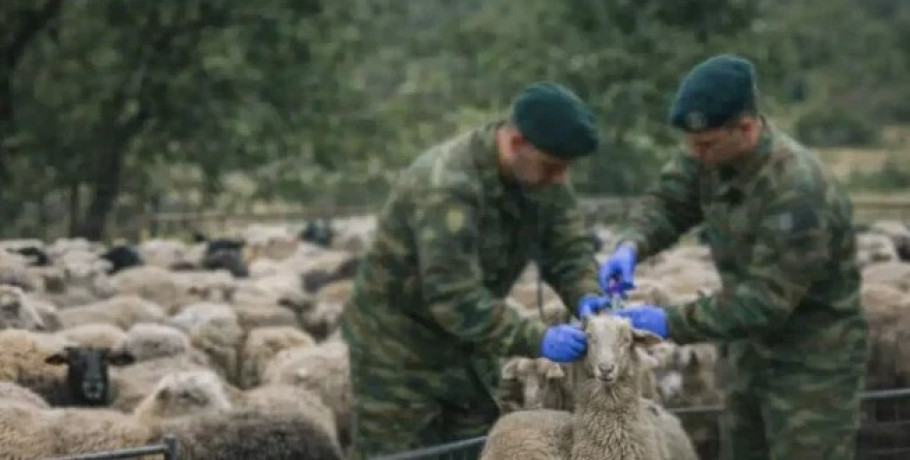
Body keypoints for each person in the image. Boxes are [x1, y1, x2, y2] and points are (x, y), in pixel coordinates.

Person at [596, 54, 868, 460]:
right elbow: (669, 202)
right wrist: (630, 246)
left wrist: (667, 321)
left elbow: (764, 302)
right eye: (690, 143)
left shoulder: (798, 192)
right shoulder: (710, 157)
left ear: (746, 127)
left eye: (705, 144)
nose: (695, 153)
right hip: (746, 354)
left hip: (812, 366)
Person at [340, 82, 611, 458]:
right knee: (400, 454)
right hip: (399, 353)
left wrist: (588, 296)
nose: (560, 178)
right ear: (516, 143)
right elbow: (453, 297)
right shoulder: (447, 185)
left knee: (477, 450)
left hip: (471, 347)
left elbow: (568, 250)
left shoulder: (541, 180)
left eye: (565, 168)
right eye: (552, 165)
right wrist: (538, 339)